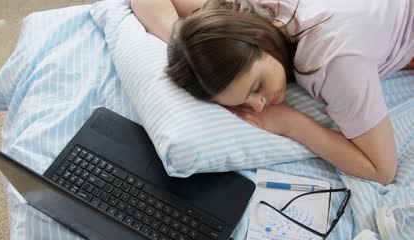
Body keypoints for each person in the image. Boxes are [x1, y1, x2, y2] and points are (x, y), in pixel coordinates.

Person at [131, 0, 414, 185]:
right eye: (244, 102)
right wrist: (190, 50)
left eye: (256, 87)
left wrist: (290, 124)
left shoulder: (334, 63)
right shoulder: (243, 17)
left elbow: (382, 170)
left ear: (259, 40)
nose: (259, 106)